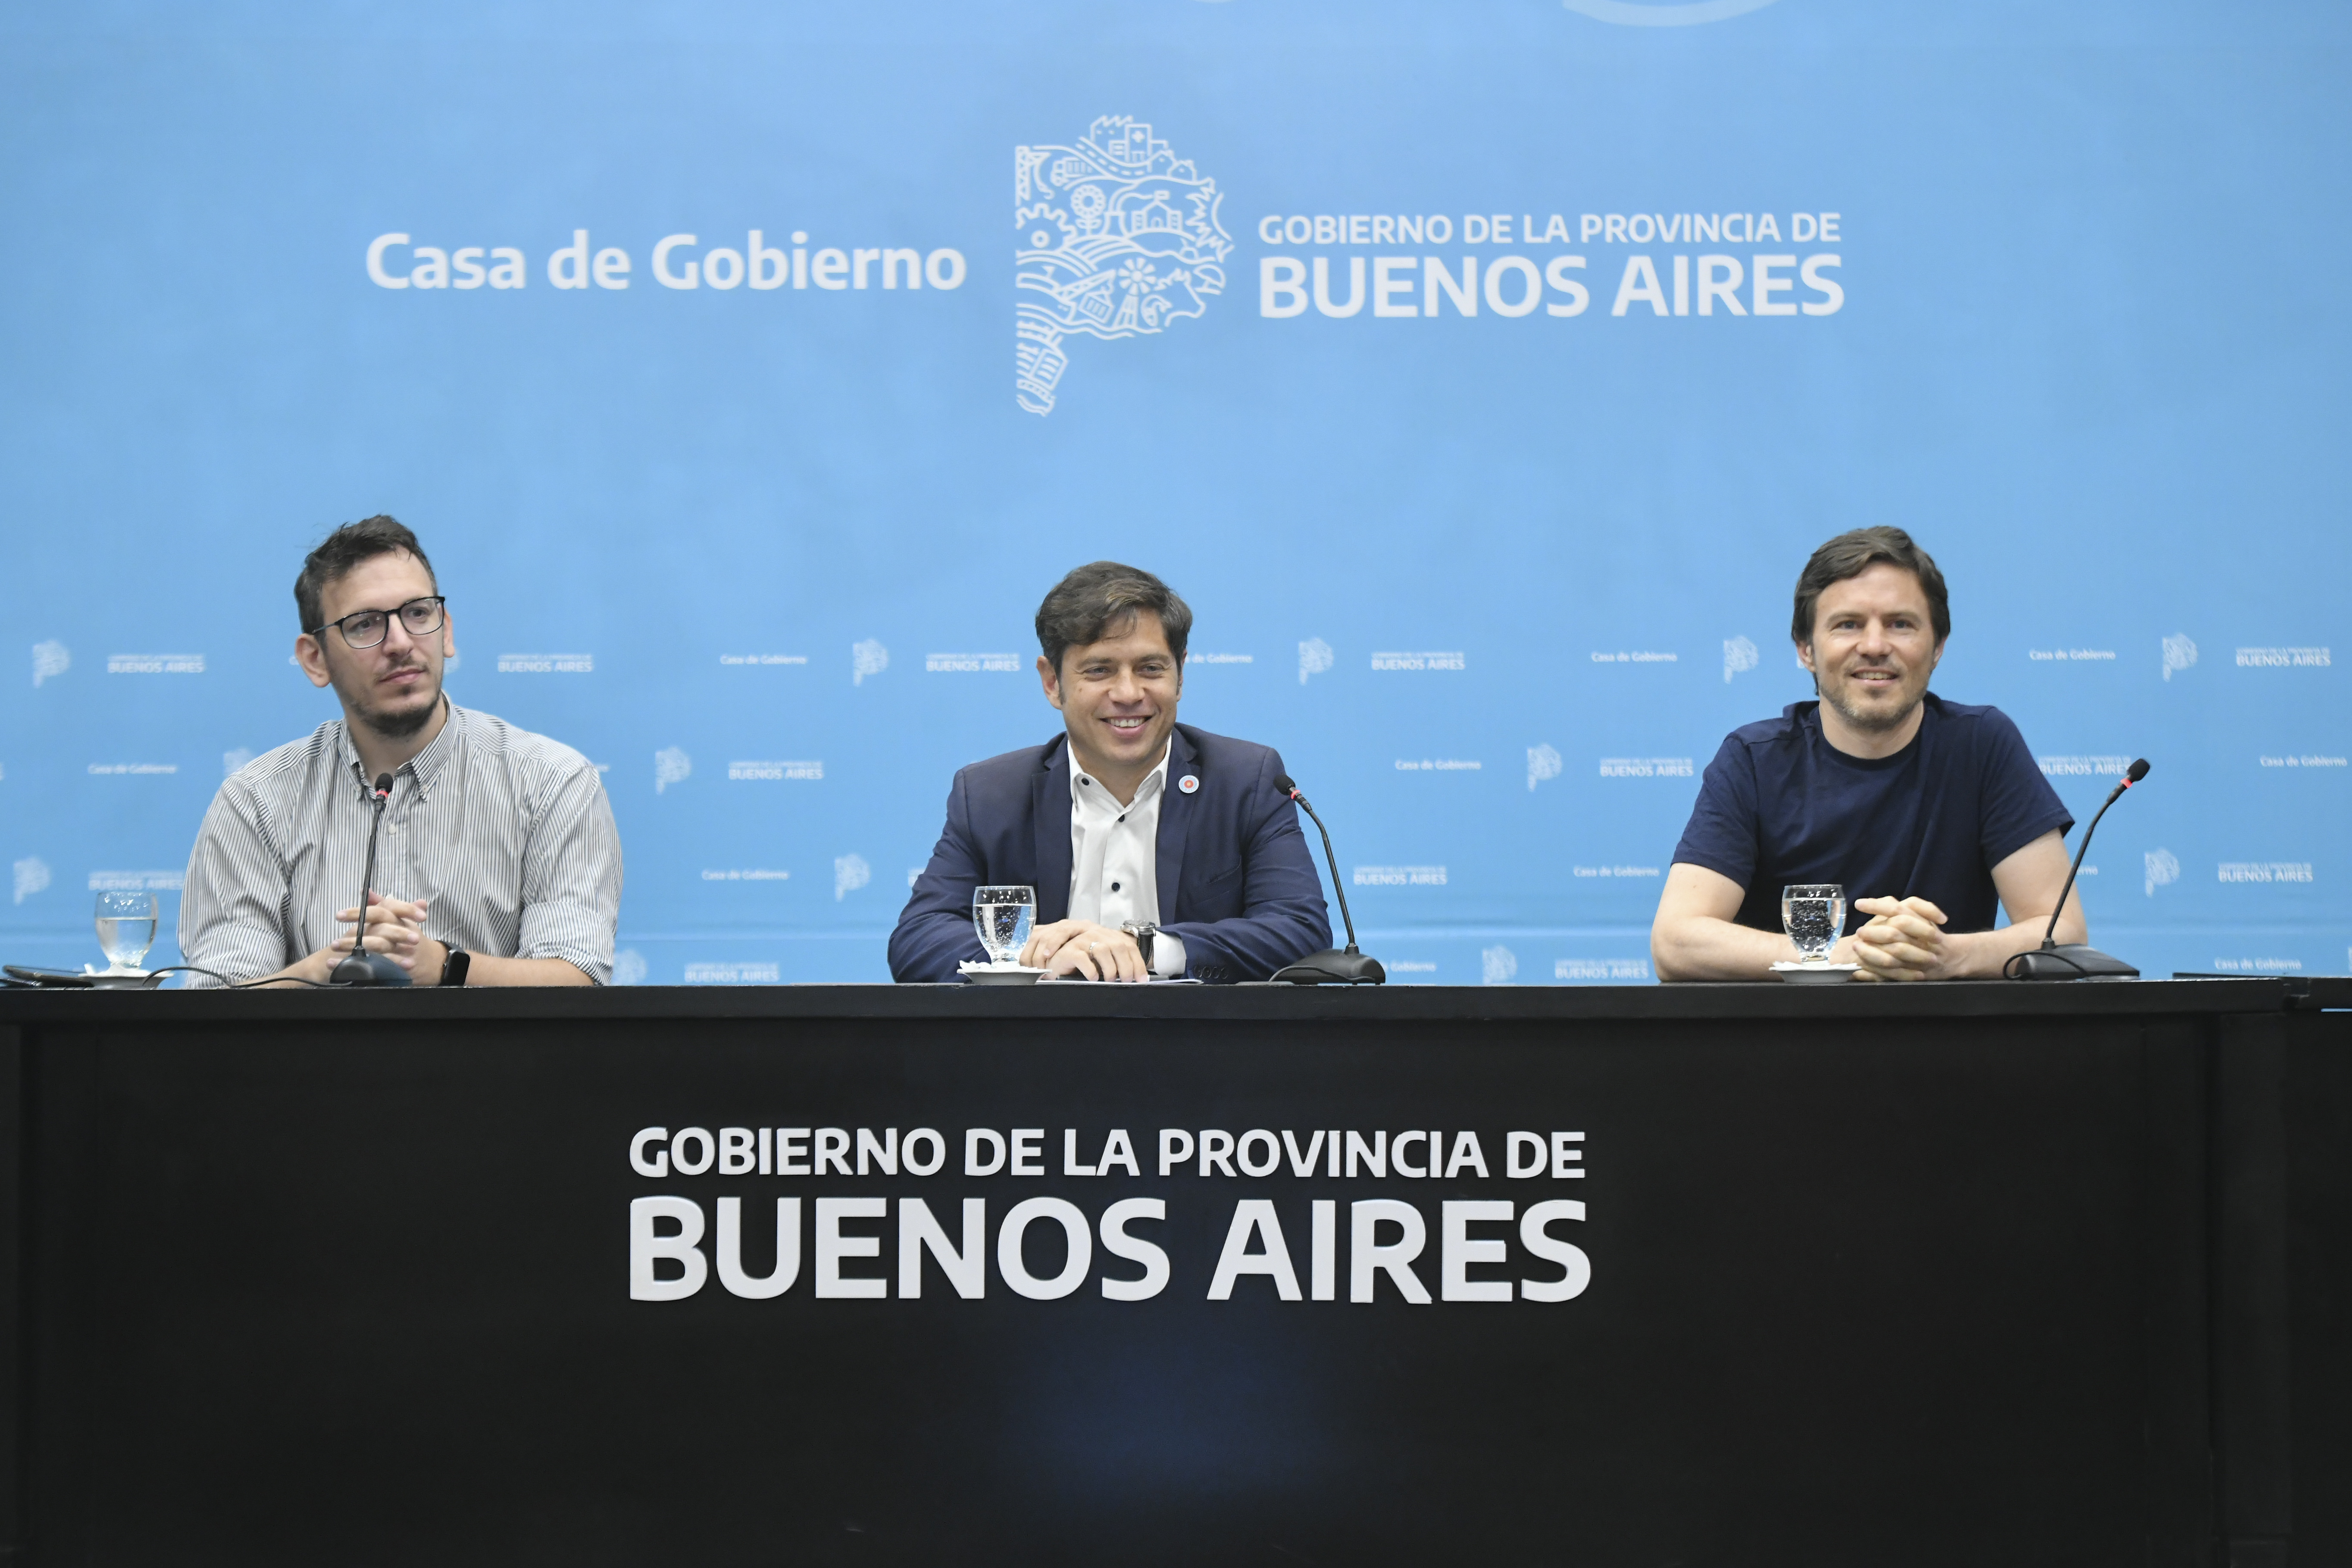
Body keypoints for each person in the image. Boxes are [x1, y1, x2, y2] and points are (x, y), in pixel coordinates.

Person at [179, 516, 622, 986]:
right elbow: (217, 997)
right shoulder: (257, 801)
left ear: (445, 631)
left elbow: (577, 977)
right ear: (315, 659)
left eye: (417, 613)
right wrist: (321, 973)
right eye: (364, 624)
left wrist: (445, 967)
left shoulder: (552, 781)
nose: (400, 643)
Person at [1651, 526, 2082, 981]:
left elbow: (2064, 933)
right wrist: (1842, 955)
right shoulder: (1753, 761)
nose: (1875, 646)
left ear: (1937, 647)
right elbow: (1675, 943)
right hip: (1792, 1026)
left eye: (1900, 624)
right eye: (1848, 625)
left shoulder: (1982, 745)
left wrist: (1944, 955)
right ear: (1806, 650)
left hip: (1947, 1024)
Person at [890, 562, 1331, 983]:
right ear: (1052, 682)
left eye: (1150, 669)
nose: (1127, 693)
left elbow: (1300, 930)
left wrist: (1148, 949)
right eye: (1099, 670)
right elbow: (918, 937)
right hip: (1040, 1033)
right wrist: (1032, 955)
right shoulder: (990, 795)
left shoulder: (1245, 782)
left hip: (1194, 1034)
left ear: (1179, 676)